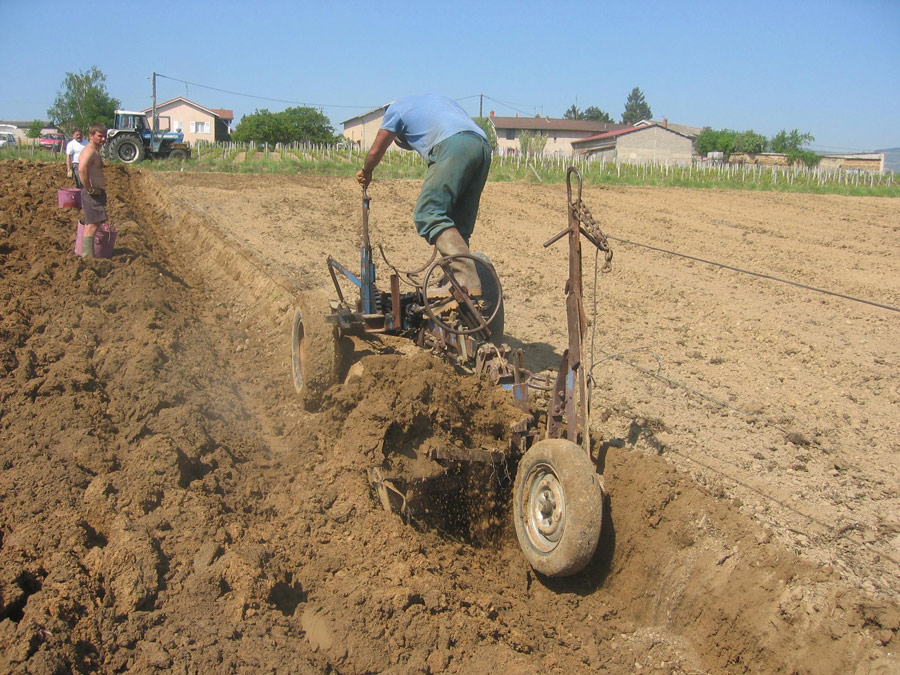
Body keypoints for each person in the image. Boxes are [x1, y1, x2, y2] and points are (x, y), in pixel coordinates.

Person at [356, 94, 491, 296]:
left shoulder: (395, 110)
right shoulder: (439, 102)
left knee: (429, 213)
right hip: (482, 146)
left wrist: (366, 170)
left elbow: (376, 150)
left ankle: (466, 281)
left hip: (453, 144)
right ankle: (454, 285)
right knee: (458, 225)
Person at [77, 123, 108, 259]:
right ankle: (88, 257)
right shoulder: (89, 151)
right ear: (91, 135)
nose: (103, 139)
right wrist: (90, 189)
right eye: (100, 136)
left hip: (97, 192)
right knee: (93, 225)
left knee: (93, 223)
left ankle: (88, 255)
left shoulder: (95, 151)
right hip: (92, 194)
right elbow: (81, 169)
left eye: (105, 137)